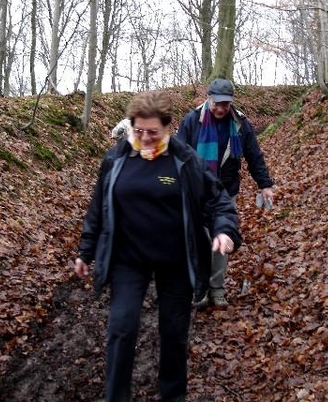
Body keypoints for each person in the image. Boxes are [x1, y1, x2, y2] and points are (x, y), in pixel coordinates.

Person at [74, 90, 241, 402]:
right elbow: (98, 206)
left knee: (173, 333)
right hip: (128, 259)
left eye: (153, 131)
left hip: (175, 259)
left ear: (168, 127)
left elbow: (218, 199)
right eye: (139, 130)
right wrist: (86, 250)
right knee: (121, 329)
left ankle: (172, 396)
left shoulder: (185, 160)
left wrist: (223, 229)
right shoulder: (116, 158)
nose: (146, 138)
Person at [176, 78, 274, 309]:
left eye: (225, 104)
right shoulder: (192, 121)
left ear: (231, 103)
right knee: (200, 241)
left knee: (222, 240)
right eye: (216, 103)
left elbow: (254, 155)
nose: (220, 108)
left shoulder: (240, 124)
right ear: (208, 98)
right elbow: (178, 156)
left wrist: (265, 184)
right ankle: (198, 290)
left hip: (225, 191)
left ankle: (217, 289)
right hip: (196, 192)